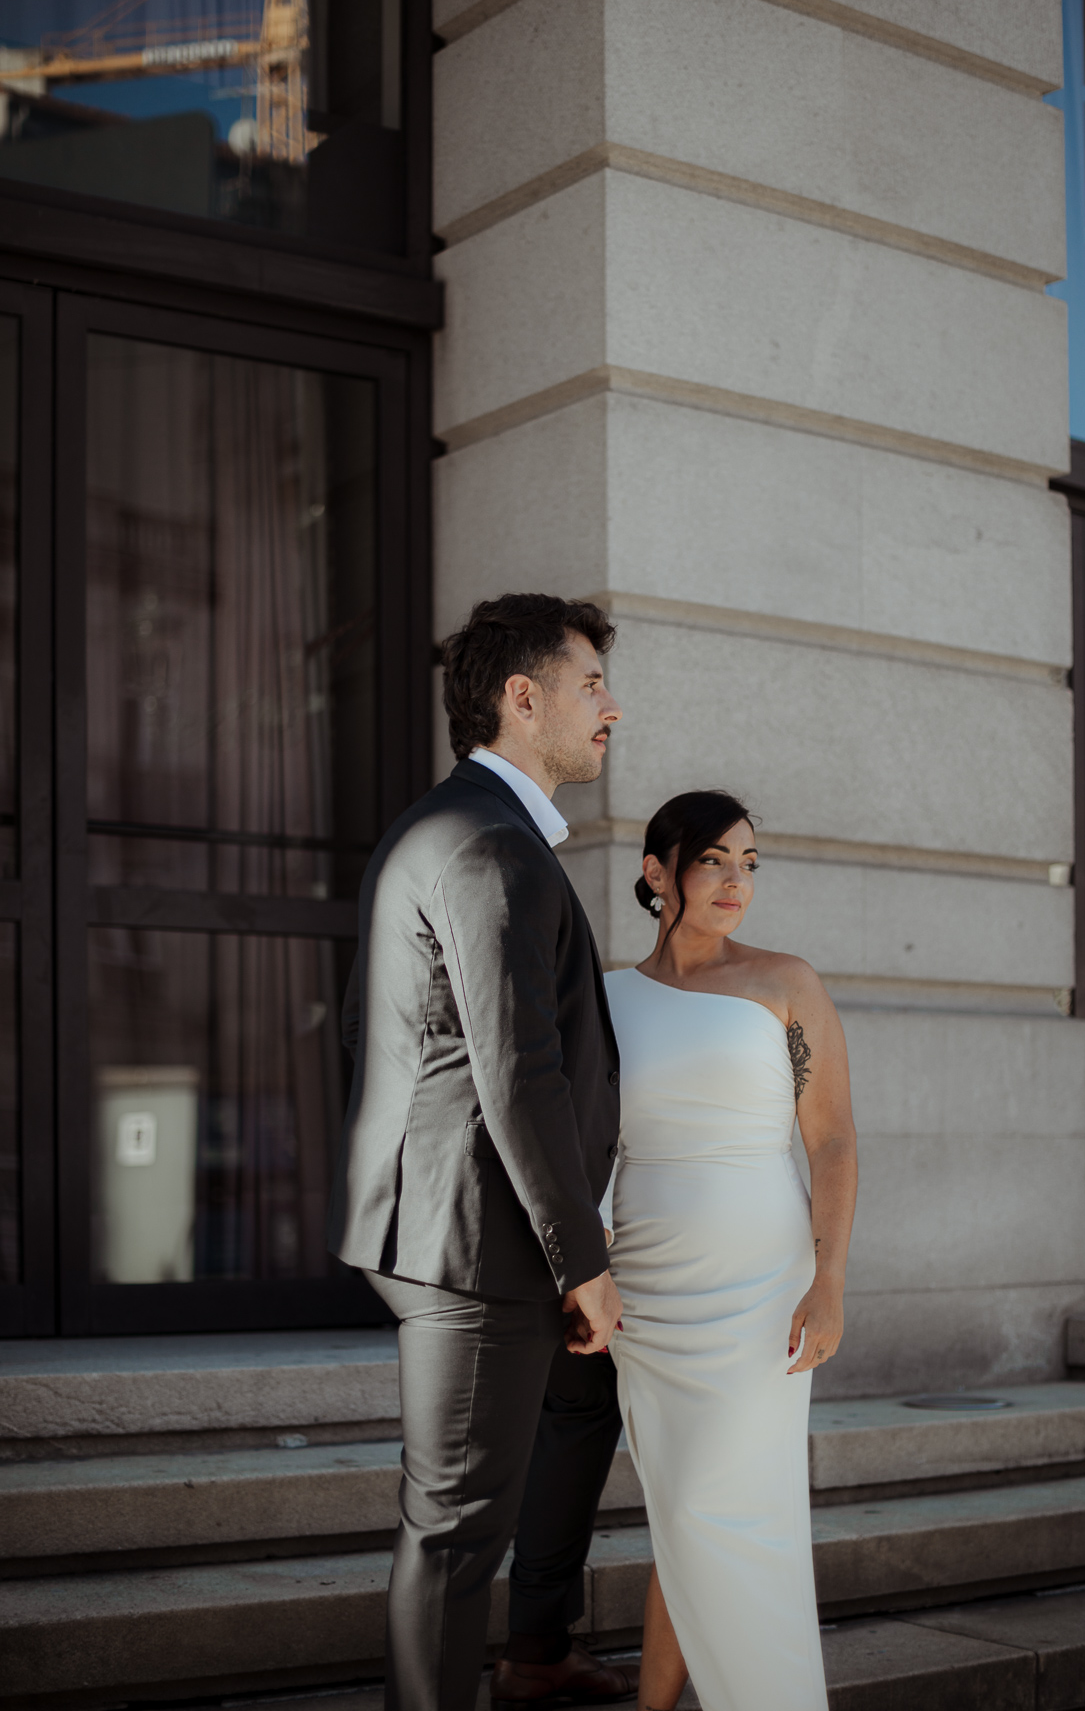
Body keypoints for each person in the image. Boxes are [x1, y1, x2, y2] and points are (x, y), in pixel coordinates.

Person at [327, 593, 639, 1711]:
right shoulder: (487, 844)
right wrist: (582, 1258)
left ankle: (537, 1656)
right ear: (525, 698)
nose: (613, 708)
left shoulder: (466, 829)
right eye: (591, 684)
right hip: (474, 1242)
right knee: (455, 1528)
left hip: (470, 1227)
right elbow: (517, 1071)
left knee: (536, 1454)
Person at [605, 790, 858, 1711]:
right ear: (657, 872)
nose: (736, 881)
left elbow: (830, 1137)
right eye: (715, 860)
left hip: (762, 1282)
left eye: (750, 863)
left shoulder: (785, 982)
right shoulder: (604, 999)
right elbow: (587, 1148)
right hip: (649, 1283)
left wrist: (828, 1280)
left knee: (721, 1500)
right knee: (683, 1511)